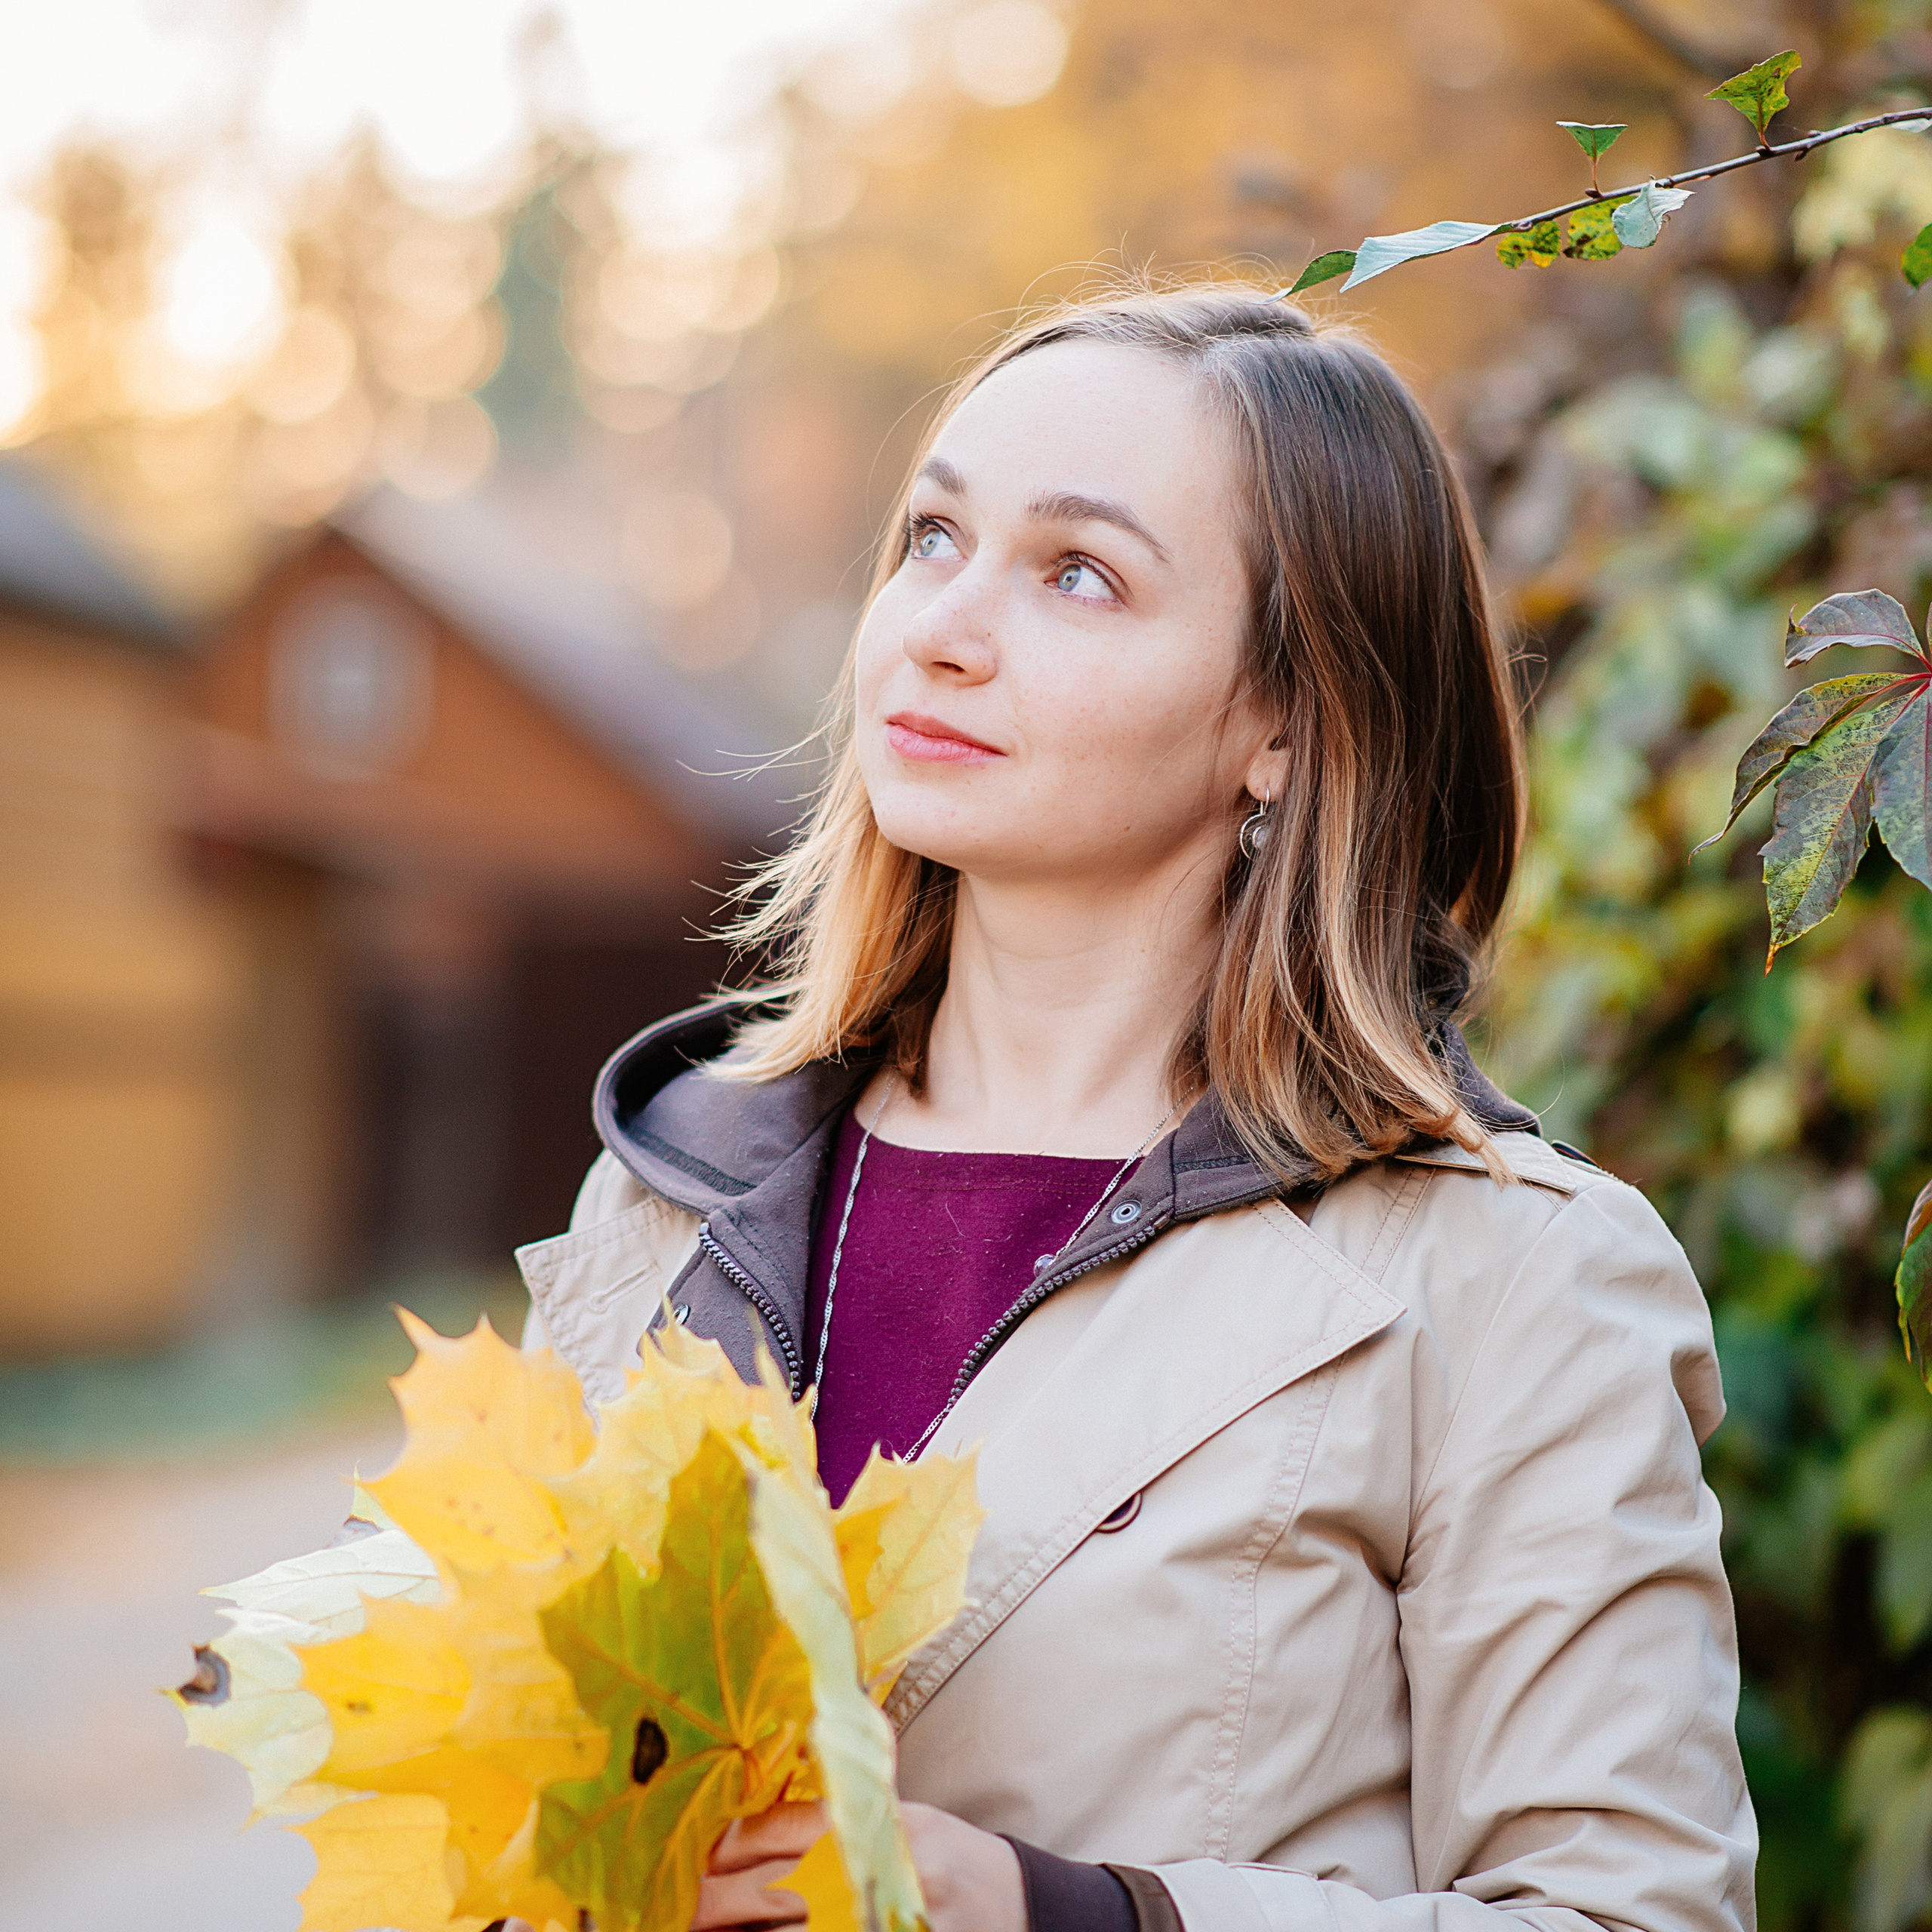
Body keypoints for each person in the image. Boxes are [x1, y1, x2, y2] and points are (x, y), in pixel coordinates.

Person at [511, 283, 1755, 1932]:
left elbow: (1630, 1911)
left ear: (1283, 720)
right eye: (933, 537)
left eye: (1077, 573)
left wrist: (1069, 1913)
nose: (943, 627)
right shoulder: (671, 1192)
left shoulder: (1506, 1280)